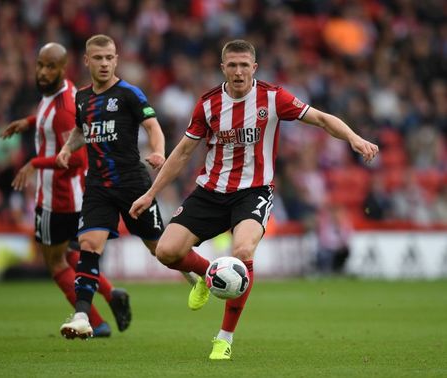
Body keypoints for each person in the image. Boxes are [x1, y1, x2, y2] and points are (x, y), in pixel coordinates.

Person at [129, 39, 379, 360]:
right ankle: (209, 276)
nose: (238, 71)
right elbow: (181, 154)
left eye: (244, 65)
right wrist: (151, 193)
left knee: (243, 250)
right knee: (166, 251)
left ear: (254, 68)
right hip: (210, 191)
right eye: (231, 65)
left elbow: (320, 119)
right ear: (223, 69)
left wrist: (354, 138)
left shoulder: (273, 98)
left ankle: (224, 338)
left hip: (254, 191)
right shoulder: (207, 104)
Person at [56, 34, 196, 339]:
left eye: (109, 58)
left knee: (160, 250)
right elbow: (82, 130)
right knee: (89, 246)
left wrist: (158, 150)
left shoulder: (130, 93)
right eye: (98, 58)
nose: (104, 63)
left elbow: (152, 126)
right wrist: (68, 148)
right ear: (87, 61)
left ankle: (195, 270)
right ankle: (82, 315)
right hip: (98, 187)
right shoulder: (81, 98)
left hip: (133, 185)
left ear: (116, 60)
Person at [0, 42, 130, 338]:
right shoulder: (65, 91)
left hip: (55, 198)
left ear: (63, 69)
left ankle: (95, 322)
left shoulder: (64, 107)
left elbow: (75, 158)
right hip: (76, 195)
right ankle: (112, 295)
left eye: (50, 67)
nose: (43, 72)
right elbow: (51, 120)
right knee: (73, 253)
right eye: (40, 65)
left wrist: (35, 163)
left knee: (55, 262)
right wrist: (28, 122)